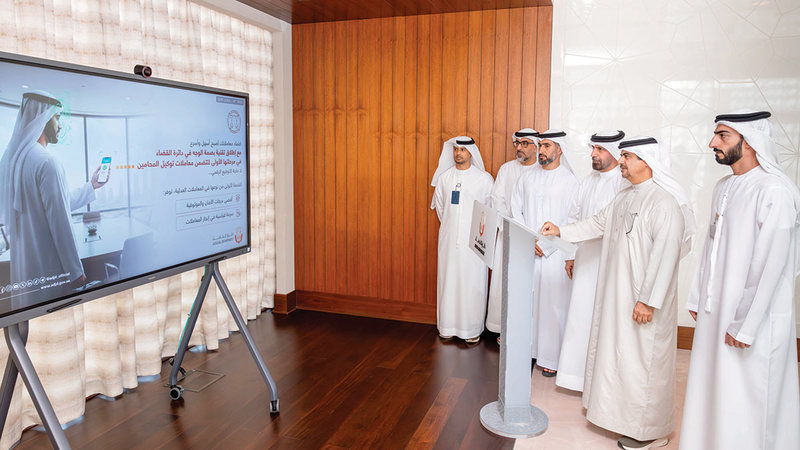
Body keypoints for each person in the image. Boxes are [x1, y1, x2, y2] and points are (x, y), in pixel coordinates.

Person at [541, 136, 695, 450]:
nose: (621, 161)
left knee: (644, 364)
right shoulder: (625, 195)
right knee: (620, 360)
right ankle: (618, 418)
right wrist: (561, 231)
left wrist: (648, 301)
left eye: (627, 156)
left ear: (647, 161)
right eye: (622, 156)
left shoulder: (664, 202)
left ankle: (652, 431)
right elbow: (597, 224)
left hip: (643, 301)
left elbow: (666, 256)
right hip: (619, 294)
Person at [680, 111, 800, 450]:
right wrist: (697, 298)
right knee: (714, 389)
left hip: (753, 319)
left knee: (747, 398)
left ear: (750, 142)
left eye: (723, 136)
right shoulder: (724, 186)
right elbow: (710, 248)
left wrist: (745, 324)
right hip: (716, 311)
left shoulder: (774, 190)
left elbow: (770, 265)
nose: (712, 143)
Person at [0, 91, 108, 301]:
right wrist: (75, 272)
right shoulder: (47, 162)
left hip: (25, 275)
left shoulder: (15, 162)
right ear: (44, 117)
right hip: (50, 274)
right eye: (57, 118)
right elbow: (60, 221)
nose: (60, 126)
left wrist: (91, 186)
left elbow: (55, 204)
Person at [555, 130, 629, 392]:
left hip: (610, 263)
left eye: (599, 150)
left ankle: (600, 382)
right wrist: (570, 254)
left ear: (615, 152)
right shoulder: (588, 181)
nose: (593, 155)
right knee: (580, 316)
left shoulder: (623, 183)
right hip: (585, 259)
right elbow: (574, 218)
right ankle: (575, 377)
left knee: (604, 322)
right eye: (593, 149)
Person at [510, 129, 578, 376]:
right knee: (526, 304)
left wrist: (547, 245)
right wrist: (529, 240)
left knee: (552, 306)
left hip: (555, 254)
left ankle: (550, 358)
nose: (542, 150)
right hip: (528, 250)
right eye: (541, 146)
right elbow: (515, 209)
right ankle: (526, 352)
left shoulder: (571, 182)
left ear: (559, 150)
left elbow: (573, 219)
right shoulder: (526, 178)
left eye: (547, 146)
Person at [431, 136, 494, 344]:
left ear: (471, 153)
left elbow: (490, 210)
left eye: (463, 150)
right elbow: (441, 209)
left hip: (474, 243)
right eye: (456, 149)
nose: (458, 153)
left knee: (472, 282)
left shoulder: (484, 179)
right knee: (448, 281)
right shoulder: (445, 178)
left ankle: (471, 329)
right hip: (449, 241)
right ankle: (447, 326)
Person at [485, 128, 539, 336]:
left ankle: (527, 333)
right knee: (506, 282)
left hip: (534, 240)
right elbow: (496, 199)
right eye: (517, 143)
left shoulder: (541, 170)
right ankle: (504, 330)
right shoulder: (506, 169)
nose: (519, 148)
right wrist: (507, 226)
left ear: (536, 146)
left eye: (525, 143)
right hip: (508, 233)